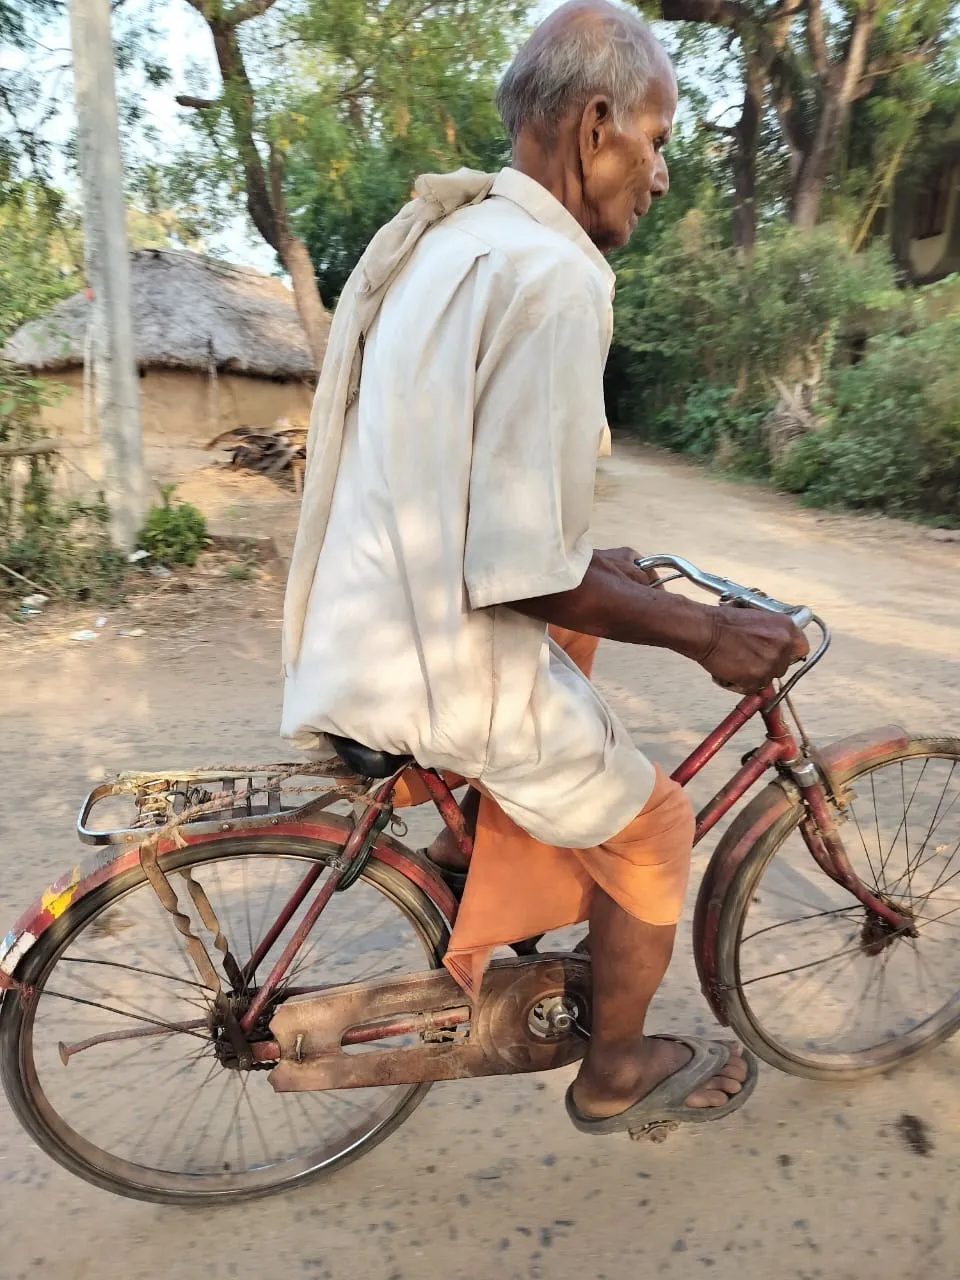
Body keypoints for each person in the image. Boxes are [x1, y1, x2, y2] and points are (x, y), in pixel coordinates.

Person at [282, 0, 808, 1136]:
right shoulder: (554, 275)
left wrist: (595, 566)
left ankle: (489, 866)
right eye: (658, 144)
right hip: (439, 656)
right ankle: (613, 1065)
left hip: (372, 619)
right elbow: (517, 570)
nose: (658, 178)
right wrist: (711, 633)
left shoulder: (454, 240)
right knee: (657, 822)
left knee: (579, 657)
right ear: (598, 126)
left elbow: (472, 489)